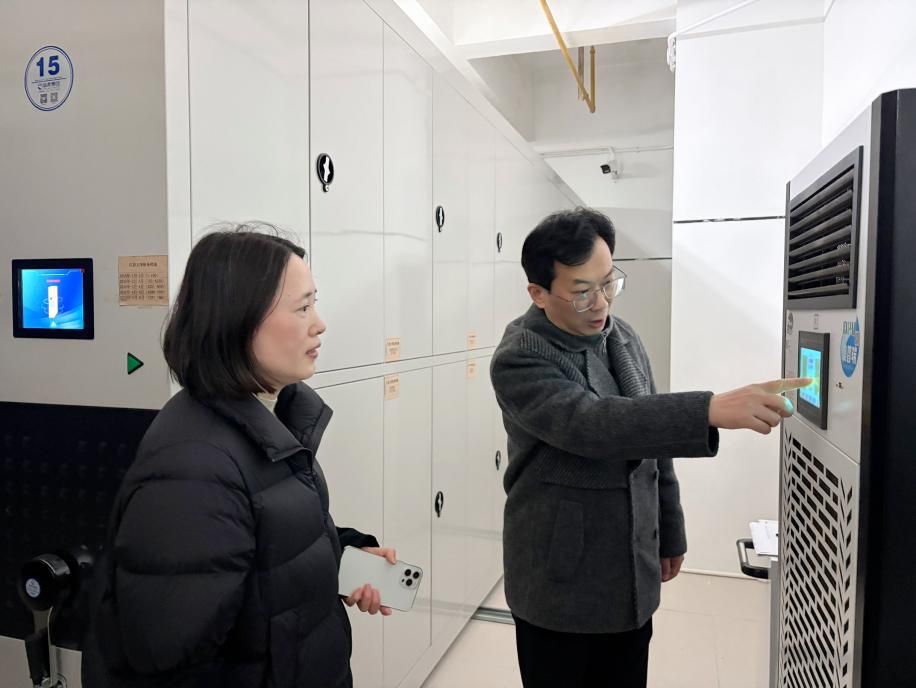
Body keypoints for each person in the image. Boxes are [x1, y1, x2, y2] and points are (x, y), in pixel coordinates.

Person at [489, 208, 808, 688]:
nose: (600, 303)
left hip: (629, 572)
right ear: (538, 293)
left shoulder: (621, 336)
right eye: (582, 292)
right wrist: (708, 409)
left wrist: (670, 531)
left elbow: (654, 446)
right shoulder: (520, 356)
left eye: (608, 283)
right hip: (560, 576)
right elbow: (594, 425)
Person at [82, 224, 395, 688]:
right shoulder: (193, 471)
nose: (319, 323)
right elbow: (170, 657)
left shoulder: (271, 417)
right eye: (302, 307)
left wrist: (340, 553)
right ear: (239, 320)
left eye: (315, 303)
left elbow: (265, 545)